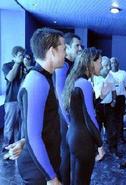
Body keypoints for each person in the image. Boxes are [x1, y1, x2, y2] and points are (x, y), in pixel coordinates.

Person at [17, 27, 65, 185]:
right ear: (52, 51)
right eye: (63, 49)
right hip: (38, 170)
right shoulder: (37, 80)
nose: (65, 53)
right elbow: (34, 137)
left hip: (43, 162)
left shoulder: (44, 77)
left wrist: (23, 141)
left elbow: (38, 124)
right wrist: (51, 178)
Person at [62, 47, 103, 185]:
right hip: (84, 140)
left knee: (75, 180)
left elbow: (70, 110)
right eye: (100, 62)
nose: (101, 65)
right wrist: (100, 144)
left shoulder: (73, 81)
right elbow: (90, 118)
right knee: (82, 181)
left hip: (73, 135)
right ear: (91, 62)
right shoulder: (84, 84)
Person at [54, 32, 82, 185]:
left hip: (70, 115)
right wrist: (69, 120)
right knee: (66, 153)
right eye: (77, 45)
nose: (79, 48)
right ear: (68, 47)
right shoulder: (62, 65)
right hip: (64, 116)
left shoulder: (71, 64)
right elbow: (61, 94)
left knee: (71, 154)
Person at [92, 56, 119, 158]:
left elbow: (113, 90)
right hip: (97, 107)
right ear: (100, 66)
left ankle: (113, 150)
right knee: (97, 130)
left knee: (112, 129)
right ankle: (97, 152)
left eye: (109, 65)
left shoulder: (110, 76)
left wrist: (114, 100)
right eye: (106, 65)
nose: (109, 67)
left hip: (108, 107)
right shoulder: (93, 77)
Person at [2, 46, 25, 152]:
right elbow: (10, 78)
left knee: (19, 125)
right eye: (20, 55)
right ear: (14, 56)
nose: (22, 57)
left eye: (23, 55)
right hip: (11, 99)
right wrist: (17, 63)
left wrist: (26, 66)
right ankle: (6, 146)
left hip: (22, 100)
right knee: (9, 124)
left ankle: (16, 147)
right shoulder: (7, 65)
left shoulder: (24, 66)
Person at [110, 57, 126, 143]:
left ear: (118, 64)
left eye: (115, 63)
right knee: (111, 119)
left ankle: (120, 137)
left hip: (121, 98)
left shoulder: (123, 73)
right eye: (111, 63)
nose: (113, 64)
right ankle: (112, 138)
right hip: (111, 99)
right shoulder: (108, 73)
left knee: (120, 119)